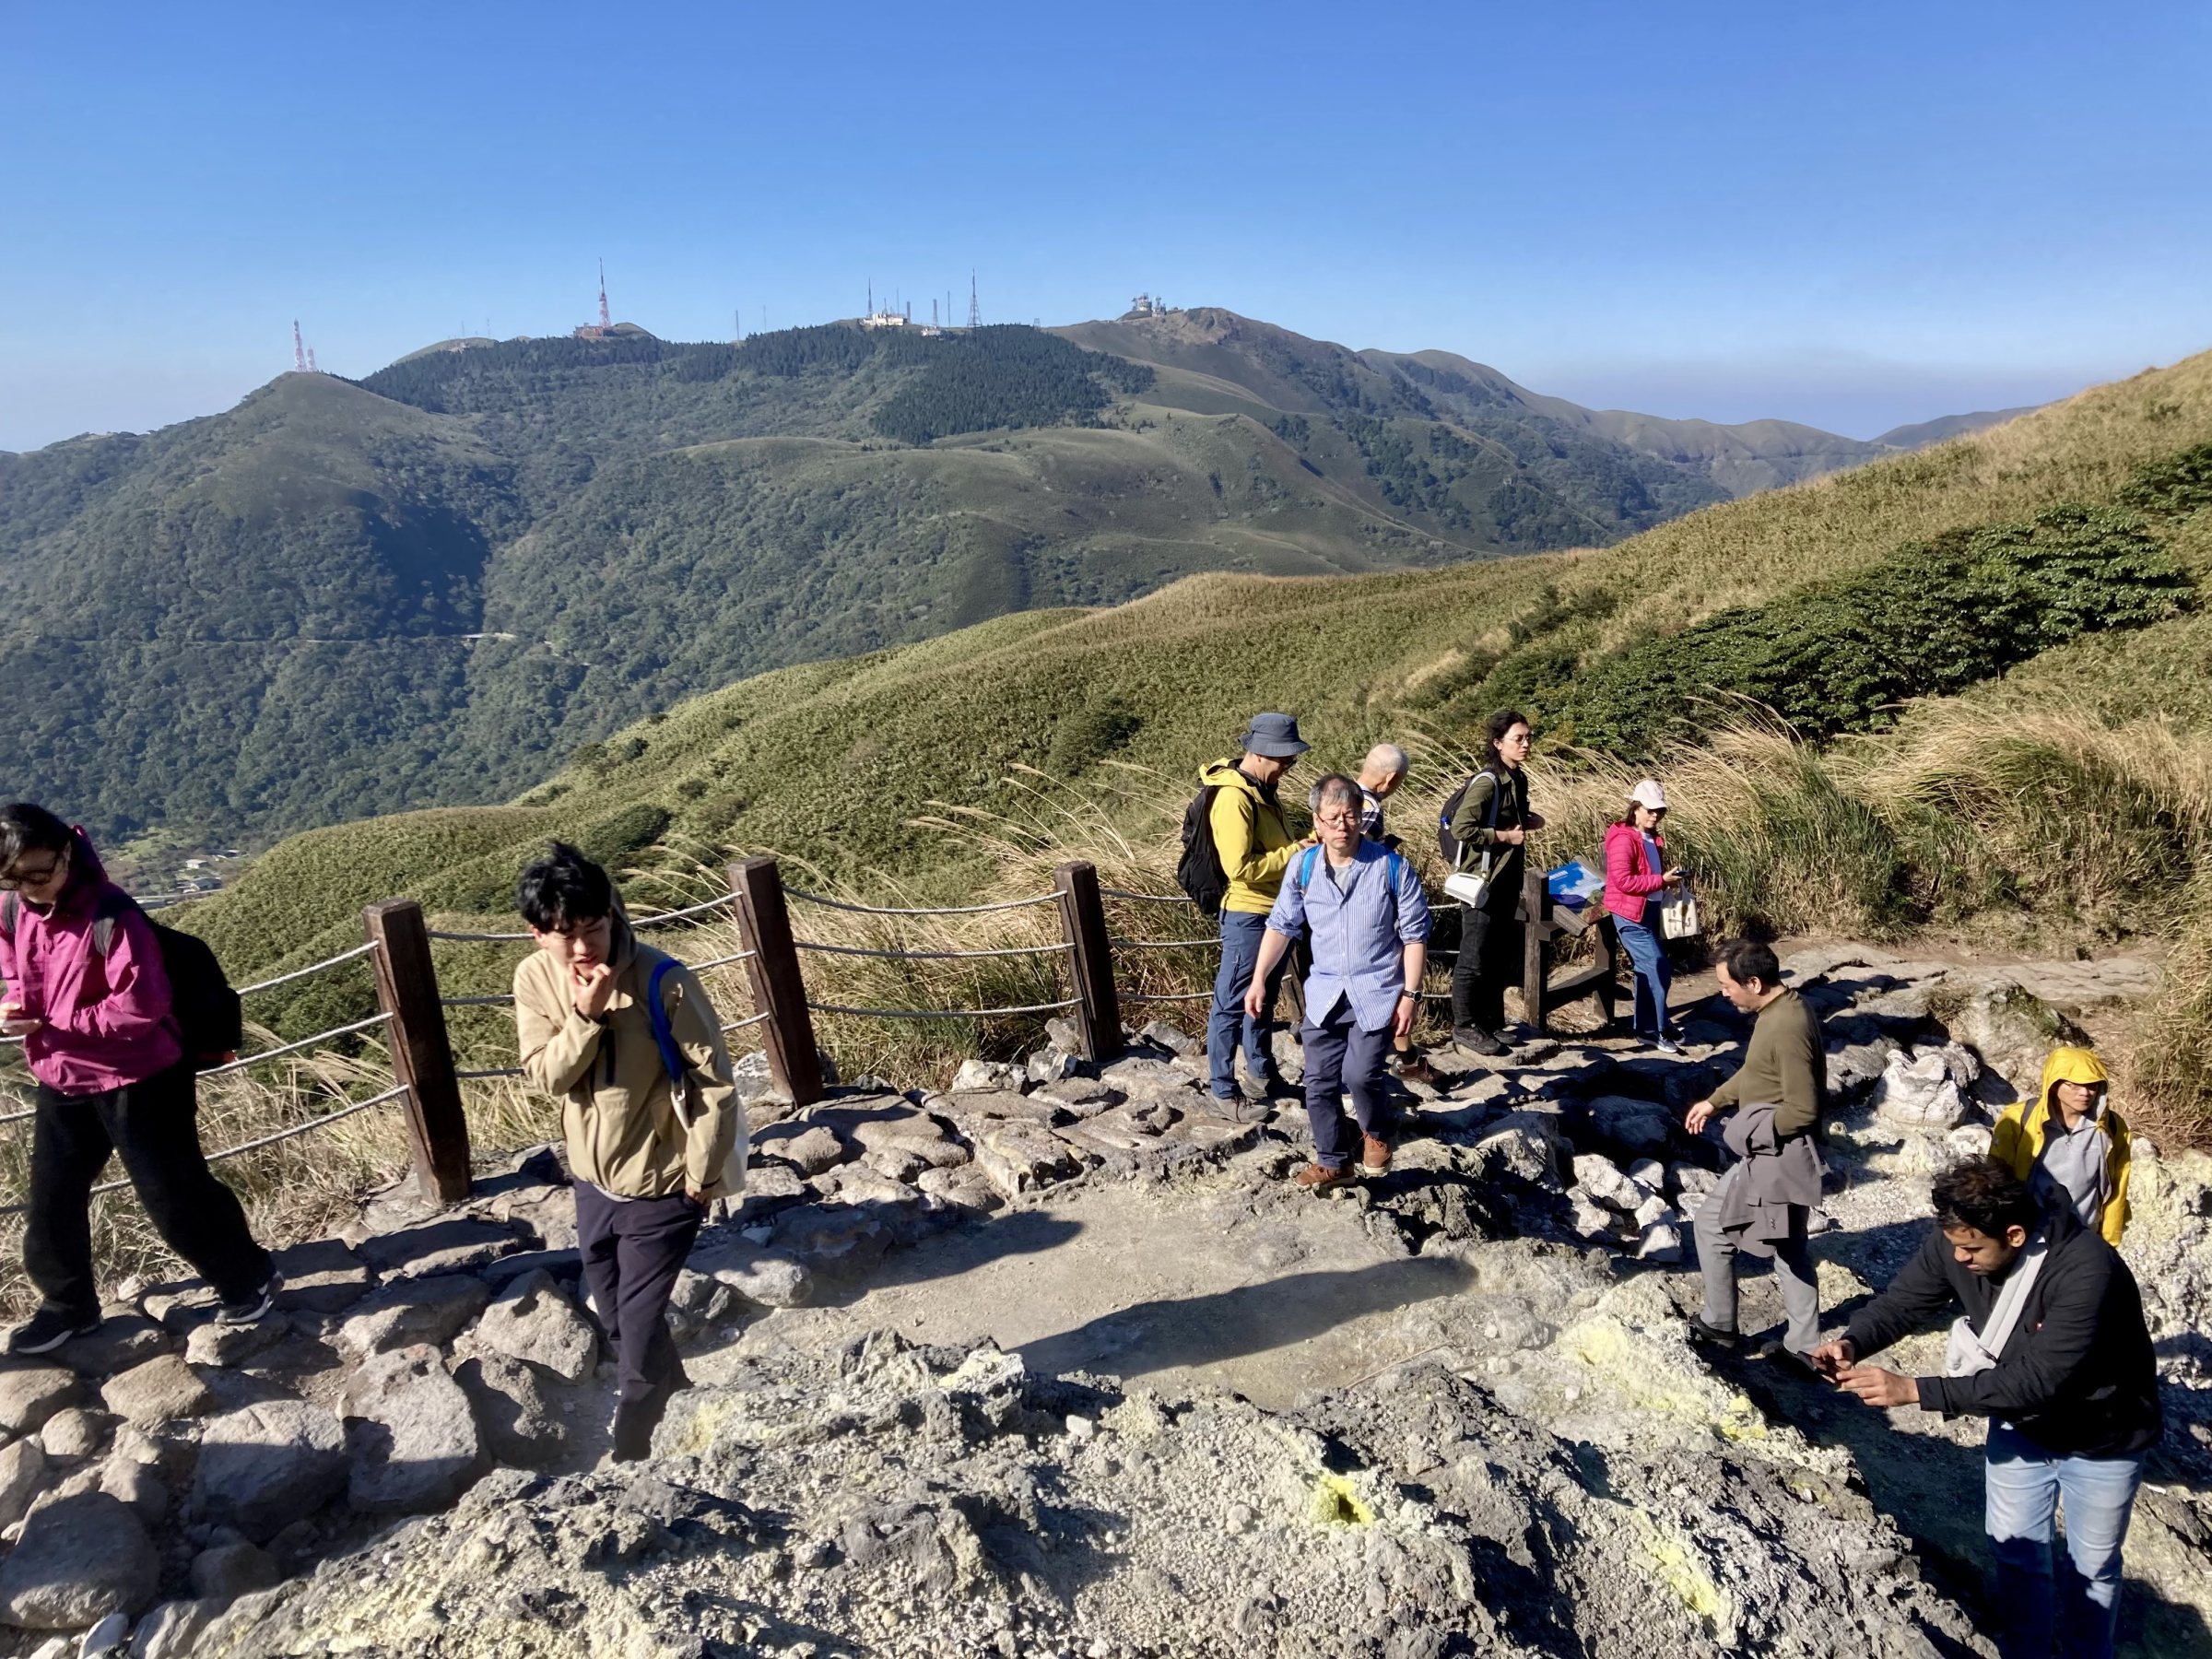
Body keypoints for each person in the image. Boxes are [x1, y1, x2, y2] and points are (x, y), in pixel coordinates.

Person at [1813, 1158, 2160, 1659]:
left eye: (1972, 1249)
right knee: (2017, 1554)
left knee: (2093, 1567)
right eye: (1954, 1245)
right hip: (2022, 1428)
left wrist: (1914, 1390)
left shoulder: (2087, 1269)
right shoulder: (1960, 1240)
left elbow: (2038, 1379)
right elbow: (1904, 1303)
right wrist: (1853, 1342)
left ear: (2014, 1235)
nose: (1960, 1258)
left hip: (2104, 1436)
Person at [0, 805, 276, 1354]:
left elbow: (139, 1008)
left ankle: (247, 1276)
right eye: (12, 878)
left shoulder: (114, 916)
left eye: (38, 873)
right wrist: (16, 1002)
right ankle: (68, 1306)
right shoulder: (12, 907)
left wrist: (53, 1021)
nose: (28, 888)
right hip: (62, 1072)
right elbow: (13, 962)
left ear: (67, 852)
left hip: (143, 1074)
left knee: (173, 1192)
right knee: (52, 1198)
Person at [512, 842, 744, 1461]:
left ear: (611, 914)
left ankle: (634, 1447)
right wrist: (584, 1018)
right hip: (592, 1180)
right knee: (615, 1317)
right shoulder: (534, 978)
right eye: (565, 935)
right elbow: (548, 1077)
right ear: (538, 934)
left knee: (637, 1329)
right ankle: (682, 1400)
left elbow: (715, 1085)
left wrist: (700, 1177)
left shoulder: (663, 980)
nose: (582, 947)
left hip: (665, 1183)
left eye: (593, 927)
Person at [1243, 775, 1430, 1190]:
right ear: (1317, 821)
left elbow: (1415, 936)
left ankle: (1376, 1133)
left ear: (1362, 817)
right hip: (1325, 992)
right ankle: (1334, 1161)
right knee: (1319, 1082)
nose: (1342, 825)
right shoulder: (1303, 866)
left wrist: (1410, 995)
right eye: (1332, 817)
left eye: (1350, 815)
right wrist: (1258, 980)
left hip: (1378, 989)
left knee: (1361, 1074)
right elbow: (1281, 926)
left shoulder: (1392, 867)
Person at [1683, 938, 1825, 1360]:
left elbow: (1804, 1108)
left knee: (1718, 1227)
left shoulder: (1786, 1027)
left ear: (1755, 983)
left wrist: (1752, 1134)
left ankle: (1724, 1326)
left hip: (1776, 1156)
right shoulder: (1780, 1011)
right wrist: (1717, 1100)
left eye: (1727, 986)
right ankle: (1800, 1345)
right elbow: (1757, 1070)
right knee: (1787, 1245)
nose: (1723, 994)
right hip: (1772, 1153)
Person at [1201, 713, 1312, 1114]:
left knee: (1262, 997)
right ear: (1262, 753)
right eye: (1286, 759)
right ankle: (1222, 1091)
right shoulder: (1234, 798)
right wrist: (1296, 853)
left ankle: (1262, 1075)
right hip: (1248, 915)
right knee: (1231, 1002)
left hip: (1274, 912)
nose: (1289, 766)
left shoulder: (1262, 789)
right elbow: (1239, 868)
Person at [1446, 710, 1544, 1056]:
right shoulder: (1488, 781)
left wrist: (1526, 820)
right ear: (1498, 744)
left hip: (1505, 878)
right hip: (1482, 880)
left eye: (1528, 737)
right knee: (1474, 956)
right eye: (1519, 738)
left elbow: (1506, 817)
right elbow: (1462, 827)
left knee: (1495, 953)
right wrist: (1504, 836)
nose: (1526, 743)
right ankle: (1464, 1026)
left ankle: (1489, 1023)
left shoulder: (1518, 778)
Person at [1354, 743, 1439, 1088]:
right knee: (1392, 977)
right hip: (1367, 909)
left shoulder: (1343, 794)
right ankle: (1403, 1062)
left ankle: (1407, 1058)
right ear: (1390, 779)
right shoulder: (1370, 809)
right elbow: (1354, 856)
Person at [1992, 1047, 2132, 1244]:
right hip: (2030, 1237)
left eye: (2092, 1085)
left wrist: (2109, 1242)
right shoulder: (2018, 1119)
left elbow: (2118, 1187)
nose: (2084, 1093)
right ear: (2053, 1084)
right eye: (2073, 1085)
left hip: (2082, 1237)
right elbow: (1996, 1180)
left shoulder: (2112, 1127)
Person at [1603, 779, 1687, 1054]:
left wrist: (1666, 881)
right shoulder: (1623, 839)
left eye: (1659, 811)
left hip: (1648, 910)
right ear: (1635, 808)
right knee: (1658, 967)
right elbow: (1624, 881)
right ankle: (1656, 1028)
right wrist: (1661, 880)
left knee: (1646, 969)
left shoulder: (1651, 837)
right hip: (1629, 914)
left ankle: (1649, 1028)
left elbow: (1646, 874)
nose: (1655, 815)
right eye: (1650, 810)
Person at [1355, 744, 1409, 842]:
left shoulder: (1337, 794)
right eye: (1400, 781)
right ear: (1391, 779)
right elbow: (1359, 847)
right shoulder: (1371, 808)